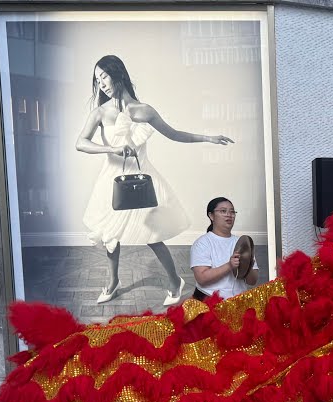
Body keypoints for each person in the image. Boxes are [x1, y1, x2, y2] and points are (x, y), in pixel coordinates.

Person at [77, 55, 234, 307]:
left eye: (104, 76)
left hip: (141, 181)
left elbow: (174, 134)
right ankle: (113, 281)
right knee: (109, 235)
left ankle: (175, 282)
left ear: (118, 73)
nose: (102, 83)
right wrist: (110, 150)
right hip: (111, 180)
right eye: (97, 79)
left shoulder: (144, 110)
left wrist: (209, 137)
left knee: (150, 234)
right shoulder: (100, 113)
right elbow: (80, 143)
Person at [190, 197, 258, 301]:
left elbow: (252, 281)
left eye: (232, 212)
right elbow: (201, 278)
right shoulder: (203, 243)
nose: (229, 215)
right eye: (223, 211)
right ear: (211, 216)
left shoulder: (242, 243)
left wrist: (247, 266)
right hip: (210, 303)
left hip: (239, 303)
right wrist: (229, 265)